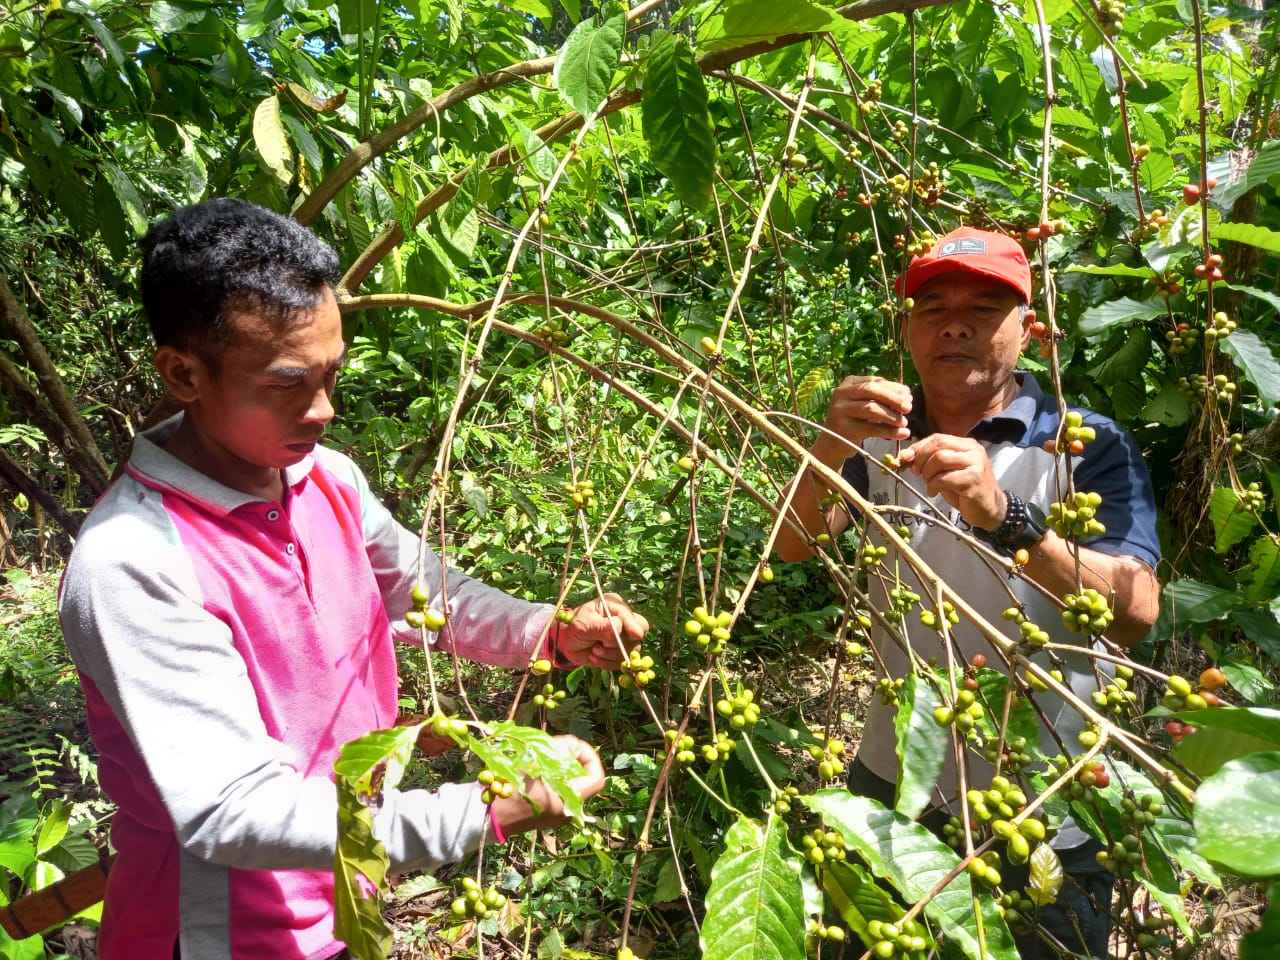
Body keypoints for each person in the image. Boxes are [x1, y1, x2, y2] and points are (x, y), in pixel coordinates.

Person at [58, 198, 649, 960]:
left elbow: (429, 593)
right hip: (222, 937)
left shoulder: (324, 478)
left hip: (343, 896)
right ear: (182, 374)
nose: (323, 408)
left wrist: (553, 631)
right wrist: (485, 812)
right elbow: (236, 813)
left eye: (333, 373)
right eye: (287, 382)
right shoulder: (133, 562)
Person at [774, 227, 1160, 959]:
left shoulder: (1085, 444)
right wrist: (828, 447)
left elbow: (1135, 615)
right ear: (908, 329)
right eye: (933, 307)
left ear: (1030, 330)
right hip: (894, 781)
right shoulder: (881, 434)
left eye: (985, 308)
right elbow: (796, 543)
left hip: (1045, 802)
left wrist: (1009, 519)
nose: (955, 324)